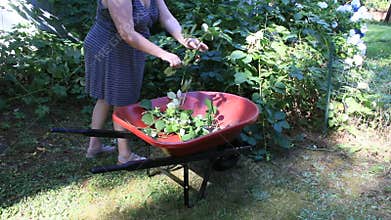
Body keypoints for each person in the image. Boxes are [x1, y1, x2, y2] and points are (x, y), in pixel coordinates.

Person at [84, 0, 208, 164]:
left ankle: (94, 146)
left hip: (131, 47)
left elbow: (167, 19)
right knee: (122, 100)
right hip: (107, 47)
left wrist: (187, 40)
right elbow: (127, 33)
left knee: (108, 97)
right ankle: (124, 155)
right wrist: (164, 54)